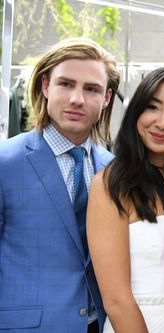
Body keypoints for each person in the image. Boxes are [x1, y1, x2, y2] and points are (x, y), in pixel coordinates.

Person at [0, 38, 119, 332]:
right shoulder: (5, 163)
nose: (77, 99)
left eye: (91, 89)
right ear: (45, 86)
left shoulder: (115, 170)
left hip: (100, 325)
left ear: (106, 98)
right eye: (66, 84)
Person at [86, 67, 164, 333]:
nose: (162, 123)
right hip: (135, 323)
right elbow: (116, 301)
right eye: (153, 107)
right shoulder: (111, 184)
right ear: (136, 111)